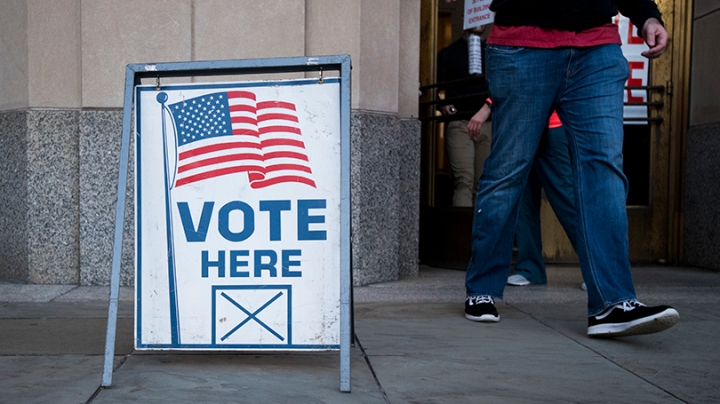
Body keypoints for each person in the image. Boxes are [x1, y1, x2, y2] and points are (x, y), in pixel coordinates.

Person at [451, 0, 680, 338]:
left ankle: (613, 302)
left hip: (596, 45)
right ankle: (482, 286)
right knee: (507, 169)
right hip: (523, 42)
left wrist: (646, 15)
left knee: (603, 169)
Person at [437, 26, 491, 207]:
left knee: (483, 183)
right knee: (464, 181)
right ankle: (463, 233)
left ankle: (481, 234)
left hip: (488, 125)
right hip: (460, 123)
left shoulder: (494, 52)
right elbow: (436, 88)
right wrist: (447, 108)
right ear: (464, 18)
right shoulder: (449, 53)